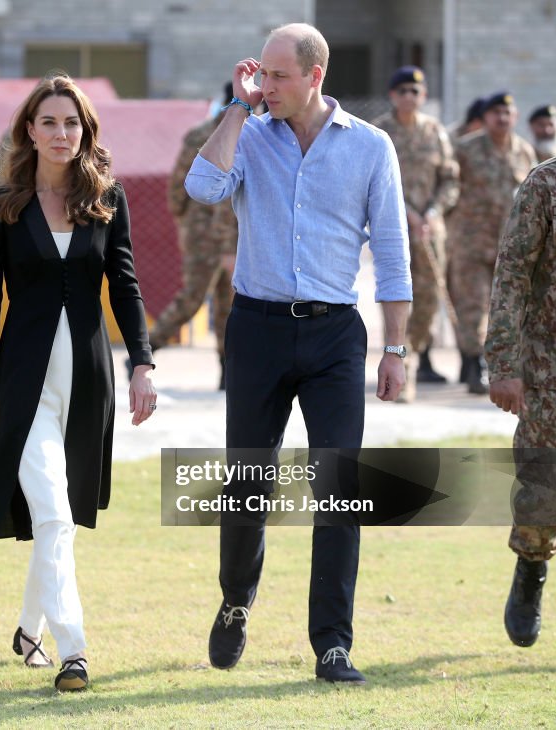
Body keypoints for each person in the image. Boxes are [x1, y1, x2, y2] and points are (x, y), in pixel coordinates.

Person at [186, 23, 411, 685]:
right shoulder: (249, 135)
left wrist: (396, 347)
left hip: (336, 334)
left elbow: (394, 256)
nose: (266, 85)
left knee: (339, 491)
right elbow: (204, 188)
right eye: (262, 75)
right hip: (255, 327)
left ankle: (332, 646)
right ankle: (235, 599)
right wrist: (237, 105)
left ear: (316, 75)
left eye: (278, 76)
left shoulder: (372, 148)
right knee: (246, 483)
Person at [0, 73, 157, 692]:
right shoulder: (0, 205)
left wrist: (142, 363)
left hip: (88, 377)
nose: (62, 134)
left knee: (58, 509)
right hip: (21, 381)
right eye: (49, 123)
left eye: (72, 123)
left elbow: (126, 287)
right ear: (29, 132)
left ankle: (27, 628)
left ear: (85, 130)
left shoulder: (107, 198)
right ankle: (75, 650)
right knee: (54, 511)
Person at [485, 148, 556, 648]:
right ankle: (531, 572)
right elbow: (512, 275)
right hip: (552, 370)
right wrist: (502, 364)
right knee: (546, 491)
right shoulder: (547, 184)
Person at [140, 82, 238, 390]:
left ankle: (228, 370)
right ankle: (145, 350)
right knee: (193, 298)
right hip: (203, 235)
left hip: (236, 236)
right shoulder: (201, 135)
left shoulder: (254, 135)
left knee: (229, 306)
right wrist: (185, 224)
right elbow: (178, 185)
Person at [372, 66, 460, 400]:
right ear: (393, 95)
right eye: (403, 91)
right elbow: (377, 181)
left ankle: (415, 354)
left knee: (427, 299)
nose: (410, 96)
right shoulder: (381, 131)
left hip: (429, 231)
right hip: (393, 228)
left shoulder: (435, 132)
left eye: (416, 91)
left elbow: (450, 179)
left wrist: (434, 212)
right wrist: (406, 212)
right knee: (396, 296)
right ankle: (400, 362)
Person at [447, 91, 536, 394]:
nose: (502, 118)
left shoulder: (524, 152)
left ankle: (497, 362)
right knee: (472, 305)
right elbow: (448, 187)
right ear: (484, 118)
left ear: (515, 117)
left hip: (509, 246)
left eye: (507, 112)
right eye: (496, 112)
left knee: (507, 307)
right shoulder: (465, 149)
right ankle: (474, 364)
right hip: (471, 242)